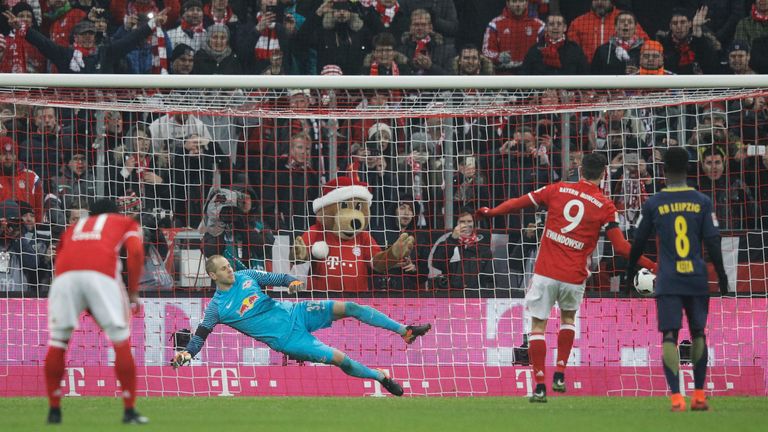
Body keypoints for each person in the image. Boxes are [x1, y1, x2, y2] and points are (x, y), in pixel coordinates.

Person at [477, 152, 656, 402]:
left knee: (537, 326)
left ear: (580, 171)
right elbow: (622, 248)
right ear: (604, 174)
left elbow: (518, 202)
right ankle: (560, 372)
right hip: (574, 276)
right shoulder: (606, 206)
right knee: (568, 319)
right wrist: (653, 265)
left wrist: (491, 211)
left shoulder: (557, 189)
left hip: (546, 272)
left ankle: (540, 386)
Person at [170, 255, 431, 396]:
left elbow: (279, 277)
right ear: (213, 275)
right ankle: (381, 377)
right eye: (224, 269)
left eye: (228, 266)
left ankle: (405, 331)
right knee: (340, 359)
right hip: (288, 340)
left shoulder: (246, 275)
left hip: (296, 312)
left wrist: (292, 282)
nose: (230, 270)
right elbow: (200, 336)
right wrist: (187, 353)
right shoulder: (216, 308)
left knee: (350, 307)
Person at [625, 147, 729, 412]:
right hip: (696, 277)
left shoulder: (654, 203)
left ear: (663, 171)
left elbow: (638, 241)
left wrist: (629, 272)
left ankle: (676, 399)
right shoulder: (702, 201)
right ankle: (699, 396)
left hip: (668, 278)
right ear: (689, 168)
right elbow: (713, 242)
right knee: (698, 333)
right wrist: (722, 275)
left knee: (669, 336)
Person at [44, 198, 147, 424]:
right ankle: (129, 410)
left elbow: (60, 256)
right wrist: (133, 292)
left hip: (63, 278)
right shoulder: (125, 222)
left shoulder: (73, 228)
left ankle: (54, 410)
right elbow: (136, 253)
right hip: (101, 275)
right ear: (116, 213)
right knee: (120, 339)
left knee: (58, 341)